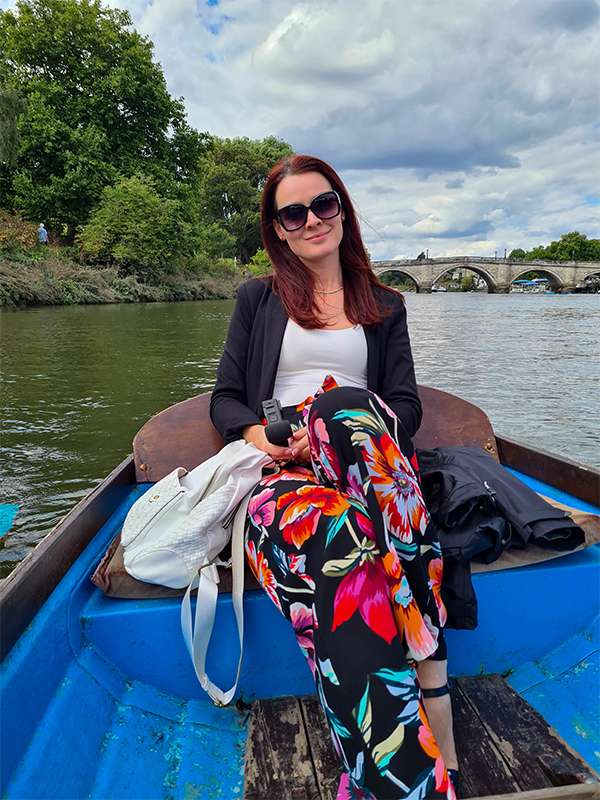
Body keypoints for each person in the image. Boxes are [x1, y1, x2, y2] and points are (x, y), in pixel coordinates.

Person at [210, 154, 459, 799]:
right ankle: (408, 769)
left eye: (324, 204)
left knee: (342, 406)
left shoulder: (384, 304)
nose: (313, 219)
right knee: (340, 539)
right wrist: (265, 436)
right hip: (284, 474)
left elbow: (405, 408)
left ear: (342, 209)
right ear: (280, 231)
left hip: (368, 458)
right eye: (295, 213)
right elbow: (227, 399)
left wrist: (335, 414)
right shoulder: (258, 299)